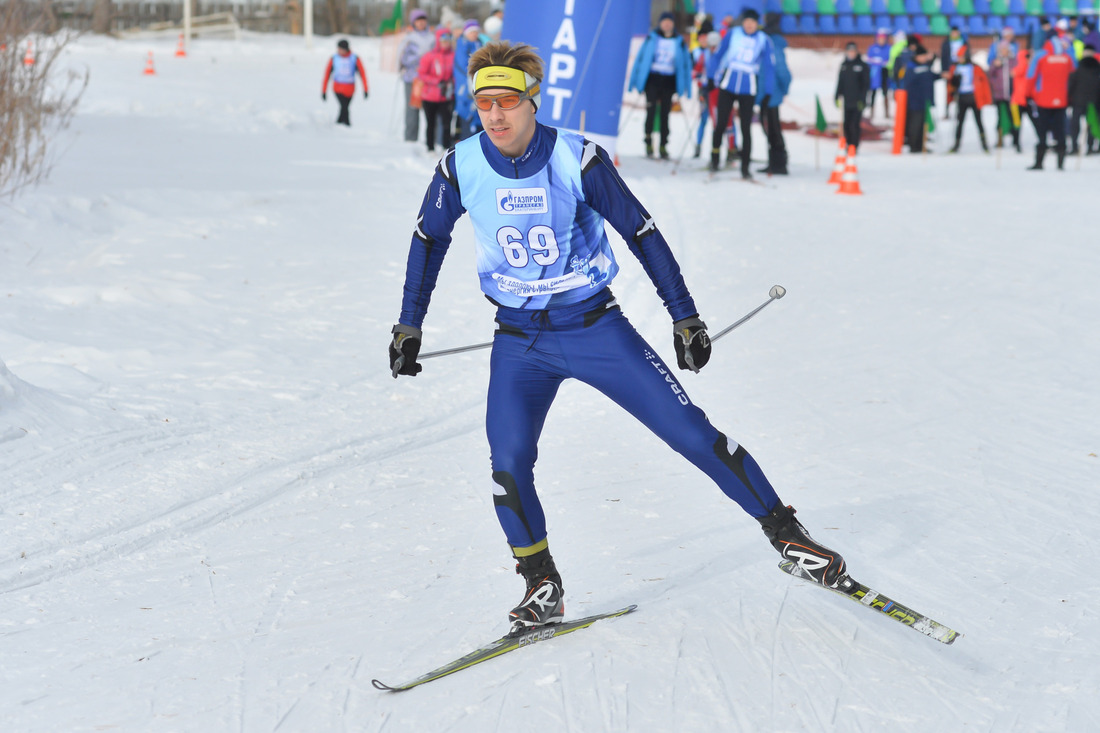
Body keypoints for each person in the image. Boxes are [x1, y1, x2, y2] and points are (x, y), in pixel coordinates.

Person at [388, 41, 850, 634]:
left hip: (593, 328)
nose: (495, 115)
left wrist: (685, 317)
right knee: (508, 463)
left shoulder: (577, 159)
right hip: (519, 340)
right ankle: (541, 585)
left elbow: (642, 231)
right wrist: (409, 324)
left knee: (691, 433)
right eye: (484, 104)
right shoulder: (461, 165)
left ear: (533, 101)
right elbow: (428, 239)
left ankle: (788, 536)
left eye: (507, 101)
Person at [706, 9, 775, 177]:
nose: (750, 25)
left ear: (757, 23)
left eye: (753, 22)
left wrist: (768, 91)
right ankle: (715, 158)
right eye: (747, 21)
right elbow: (718, 54)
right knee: (721, 123)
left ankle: (745, 166)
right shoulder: (733, 34)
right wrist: (710, 77)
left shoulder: (763, 40)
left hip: (748, 88)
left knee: (745, 128)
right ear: (743, 22)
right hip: (728, 84)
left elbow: (769, 67)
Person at [628, 11, 693, 159]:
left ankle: (663, 144)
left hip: (669, 80)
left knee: (665, 114)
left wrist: (686, 87)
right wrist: (634, 81)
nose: (667, 24)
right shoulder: (652, 38)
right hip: (653, 79)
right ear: (660, 23)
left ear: (673, 24)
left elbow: (685, 65)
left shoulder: (679, 41)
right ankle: (649, 142)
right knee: (650, 112)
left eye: (669, 22)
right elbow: (640, 59)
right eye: (664, 22)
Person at [1026, 21, 1076, 170]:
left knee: (1042, 132)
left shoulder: (1040, 56)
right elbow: (1073, 77)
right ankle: (1060, 164)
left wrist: (1029, 95)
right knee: (1060, 131)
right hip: (1061, 100)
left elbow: (1031, 76)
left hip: (1043, 100)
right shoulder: (1068, 57)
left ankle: (1039, 162)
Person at [757, 12, 790, 175]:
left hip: (772, 93)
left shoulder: (773, 42)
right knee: (769, 128)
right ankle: (774, 161)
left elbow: (782, 71)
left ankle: (779, 163)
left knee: (773, 128)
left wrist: (783, 89)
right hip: (764, 92)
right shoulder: (767, 40)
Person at [398, 9, 435, 143]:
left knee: (430, 109)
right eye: (418, 21)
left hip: (429, 79)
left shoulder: (432, 37)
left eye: (423, 20)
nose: (421, 23)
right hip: (413, 79)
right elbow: (402, 57)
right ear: (414, 22)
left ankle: (432, 139)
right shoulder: (409, 37)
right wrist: (416, 59)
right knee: (412, 108)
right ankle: (410, 138)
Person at [417, 27, 455, 154]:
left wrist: (451, 84)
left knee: (446, 123)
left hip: (446, 96)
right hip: (429, 96)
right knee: (431, 123)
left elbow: (456, 74)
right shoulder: (429, 56)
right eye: (443, 39)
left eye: (449, 39)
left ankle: (446, 147)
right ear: (438, 40)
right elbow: (422, 74)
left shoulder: (453, 56)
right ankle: (430, 147)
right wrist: (436, 81)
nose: (446, 42)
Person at [947, 49, 991, 153]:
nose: (960, 59)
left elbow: (984, 83)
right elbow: (951, 84)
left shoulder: (975, 67)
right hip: (962, 98)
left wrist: (986, 99)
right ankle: (956, 144)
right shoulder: (955, 68)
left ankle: (984, 144)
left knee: (979, 122)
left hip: (974, 97)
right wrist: (954, 83)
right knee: (960, 122)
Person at [321, 39, 369, 127]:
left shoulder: (354, 58)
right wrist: (323, 91)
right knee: (344, 107)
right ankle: (346, 125)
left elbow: (362, 74)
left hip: (350, 90)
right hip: (337, 89)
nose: (338, 51)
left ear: (345, 49)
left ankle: (339, 126)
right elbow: (327, 74)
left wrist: (365, 89)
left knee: (344, 108)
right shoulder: (334, 58)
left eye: (340, 49)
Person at [989, 30, 1021, 152]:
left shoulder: (1013, 61)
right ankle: (999, 139)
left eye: (1006, 49)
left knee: (1014, 118)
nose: (1004, 51)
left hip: (1012, 94)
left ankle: (1016, 141)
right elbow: (990, 76)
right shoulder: (995, 62)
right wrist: (995, 66)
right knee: (999, 118)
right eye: (1002, 49)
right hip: (999, 95)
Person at [453, 19, 484, 141]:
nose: (474, 35)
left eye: (476, 32)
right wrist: (469, 84)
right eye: (472, 32)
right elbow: (462, 66)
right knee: (465, 112)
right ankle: (464, 138)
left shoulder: (479, 44)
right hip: (465, 86)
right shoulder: (462, 44)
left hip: (477, 83)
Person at [835, 42, 870, 149]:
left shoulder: (862, 65)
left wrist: (863, 99)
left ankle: (854, 145)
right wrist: (837, 96)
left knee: (854, 125)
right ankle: (848, 143)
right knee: (846, 124)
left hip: (857, 101)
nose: (851, 54)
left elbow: (866, 84)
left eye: (853, 51)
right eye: (849, 51)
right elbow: (840, 82)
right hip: (847, 100)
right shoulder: (844, 65)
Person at [905, 45, 938, 152]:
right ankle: (914, 146)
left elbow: (931, 76)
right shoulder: (911, 67)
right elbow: (907, 84)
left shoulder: (926, 66)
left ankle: (921, 146)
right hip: (915, 101)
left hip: (925, 101)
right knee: (915, 125)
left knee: (923, 125)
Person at [1068, 43, 1100, 155]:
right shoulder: (1097, 68)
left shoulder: (1078, 67)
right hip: (1093, 101)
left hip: (1079, 100)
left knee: (1075, 125)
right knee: (1091, 124)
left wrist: (1068, 98)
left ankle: (1074, 147)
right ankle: (1090, 146)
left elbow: (1071, 84)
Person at [940, 27, 969, 120]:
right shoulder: (946, 43)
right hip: (950, 68)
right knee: (949, 91)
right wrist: (944, 69)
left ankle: (959, 112)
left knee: (960, 90)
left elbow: (967, 55)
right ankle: (947, 111)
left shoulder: (963, 42)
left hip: (960, 68)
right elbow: (943, 57)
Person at [866, 28, 892, 119]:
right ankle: (872, 112)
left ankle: (887, 113)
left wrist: (883, 63)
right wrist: (875, 62)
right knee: (873, 93)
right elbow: (868, 60)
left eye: (883, 39)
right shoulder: (872, 48)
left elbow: (890, 61)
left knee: (885, 93)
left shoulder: (889, 48)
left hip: (884, 74)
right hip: (874, 75)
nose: (881, 40)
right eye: (880, 38)